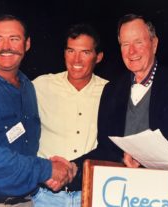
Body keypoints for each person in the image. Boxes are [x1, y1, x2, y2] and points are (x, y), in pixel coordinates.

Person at [70, 13, 168, 187]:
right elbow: (107, 150)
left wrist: (144, 158)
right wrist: (72, 167)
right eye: (125, 44)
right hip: (121, 190)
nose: (131, 51)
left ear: (154, 44)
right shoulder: (112, 90)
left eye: (138, 42)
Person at [0, 15, 75, 206]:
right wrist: (46, 170)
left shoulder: (27, 86)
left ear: (27, 44)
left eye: (14, 38)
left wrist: (53, 169)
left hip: (27, 201)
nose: (5, 46)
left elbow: (28, 146)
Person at [32, 24, 108, 207]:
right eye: (71, 51)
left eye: (85, 52)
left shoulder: (109, 91)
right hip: (44, 197)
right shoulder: (40, 86)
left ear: (98, 57)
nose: (76, 59)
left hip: (91, 195)